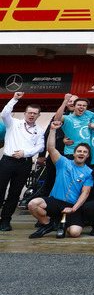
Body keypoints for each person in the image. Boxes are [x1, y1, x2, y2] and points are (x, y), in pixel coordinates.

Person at [28, 120, 94, 239]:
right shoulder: (63, 163)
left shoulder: (89, 172)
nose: (81, 153)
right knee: (33, 204)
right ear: (74, 154)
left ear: (88, 156)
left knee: (74, 233)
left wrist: (73, 209)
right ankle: (47, 224)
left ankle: (62, 222)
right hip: (56, 201)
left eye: (85, 152)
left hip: (72, 205)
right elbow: (51, 148)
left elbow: (86, 193)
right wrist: (53, 130)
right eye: (79, 151)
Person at [0, 92, 44, 231]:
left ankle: (5, 221)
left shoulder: (39, 130)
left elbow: (40, 147)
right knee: (0, 191)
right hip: (7, 161)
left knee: (15, 193)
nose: (31, 115)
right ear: (24, 113)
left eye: (35, 113)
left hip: (24, 163)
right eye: (29, 112)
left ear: (38, 115)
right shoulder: (13, 123)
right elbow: (4, 113)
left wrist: (25, 152)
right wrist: (14, 99)